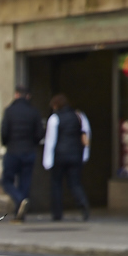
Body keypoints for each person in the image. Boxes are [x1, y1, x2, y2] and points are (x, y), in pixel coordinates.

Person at [43, 93, 91, 221]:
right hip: (75, 155)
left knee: (56, 184)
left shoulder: (55, 118)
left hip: (59, 156)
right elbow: (86, 136)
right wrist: (84, 155)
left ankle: (57, 213)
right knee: (75, 183)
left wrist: (47, 161)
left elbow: (50, 141)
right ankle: (83, 204)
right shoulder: (79, 116)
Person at [0, 85, 45, 221]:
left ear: (16, 95)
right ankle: (22, 210)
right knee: (25, 181)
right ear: (28, 96)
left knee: (7, 181)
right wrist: (33, 143)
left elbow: (4, 132)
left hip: (13, 151)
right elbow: (40, 133)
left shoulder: (9, 111)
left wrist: (7, 143)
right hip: (29, 151)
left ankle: (19, 200)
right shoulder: (34, 112)